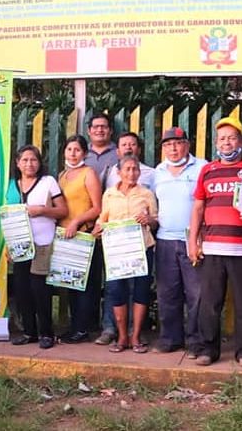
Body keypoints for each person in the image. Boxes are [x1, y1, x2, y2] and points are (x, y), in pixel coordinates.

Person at [188, 117, 242, 367]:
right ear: (217, 143)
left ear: (241, 141)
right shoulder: (207, 170)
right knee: (210, 302)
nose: (227, 143)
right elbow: (197, 207)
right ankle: (208, 349)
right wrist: (192, 242)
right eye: (222, 139)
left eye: (232, 138)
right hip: (212, 247)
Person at [94, 154, 158, 353]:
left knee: (140, 291)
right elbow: (103, 218)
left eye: (135, 169)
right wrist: (98, 228)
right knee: (116, 291)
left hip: (142, 249)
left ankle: (136, 336)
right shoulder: (109, 194)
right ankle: (122, 336)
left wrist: (148, 220)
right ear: (119, 172)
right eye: (128, 169)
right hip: (116, 251)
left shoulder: (146, 194)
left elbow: (156, 221)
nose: (132, 173)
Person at [152, 127, 207, 356]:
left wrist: (200, 237)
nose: (173, 148)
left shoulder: (202, 167)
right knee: (167, 293)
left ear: (187, 145)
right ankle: (170, 339)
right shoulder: (158, 172)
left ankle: (196, 342)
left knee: (197, 294)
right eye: (168, 144)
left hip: (192, 239)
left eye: (178, 143)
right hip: (165, 239)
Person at [7, 145, 67, 349]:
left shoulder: (48, 182)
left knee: (40, 289)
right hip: (19, 244)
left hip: (43, 243)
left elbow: (62, 210)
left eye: (33, 160)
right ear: (17, 163)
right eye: (24, 160)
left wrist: (42, 210)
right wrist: (8, 246)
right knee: (22, 289)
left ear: (39, 163)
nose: (29, 164)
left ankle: (46, 333)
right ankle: (29, 332)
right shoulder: (11, 186)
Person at [57, 135, 103, 344]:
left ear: (84, 153)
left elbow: (97, 207)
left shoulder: (89, 174)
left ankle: (83, 328)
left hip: (83, 234)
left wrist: (76, 222)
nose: (73, 154)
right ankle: (74, 326)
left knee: (85, 285)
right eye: (69, 150)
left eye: (77, 150)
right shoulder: (62, 176)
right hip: (64, 237)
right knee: (70, 283)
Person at [83, 113, 120, 346]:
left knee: (113, 279)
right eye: (95, 127)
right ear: (89, 131)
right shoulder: (80, 153)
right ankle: (86, 325)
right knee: (88, 278)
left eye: (104, 127)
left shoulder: (119, 154)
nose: (99, 130)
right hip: (86, 227)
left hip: (114, 225)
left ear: (110, 131)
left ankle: (109, 326)